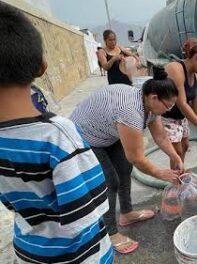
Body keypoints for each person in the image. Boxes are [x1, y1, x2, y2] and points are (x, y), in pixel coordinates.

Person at [0, 3, 113, 263]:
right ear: (41, 67)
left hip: (30, 252)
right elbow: (91, 209)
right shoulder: (57, 135)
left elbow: (13, 202)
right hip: (79, 256)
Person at [70, 66, 184, 254]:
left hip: (106, 130)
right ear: (154, 97)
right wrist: (161, 173)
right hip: (84, 136)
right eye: (169, 106)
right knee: (109, 181)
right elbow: (136, 157)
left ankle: (127, 214)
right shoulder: (130, 111)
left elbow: (162, 137)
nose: (169, 110)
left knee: (124, 169)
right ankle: (110, 233)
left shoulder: (150, 103)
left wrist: (175, 156)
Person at [163, 39, 197, 168]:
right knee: (176, 152)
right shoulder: (176, 68)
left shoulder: (196, 78)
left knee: (185, 147)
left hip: (181, 117)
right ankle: (177, 182)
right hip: (166, 116)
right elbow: (182, 103)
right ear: (196, 57)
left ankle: (180, 174)